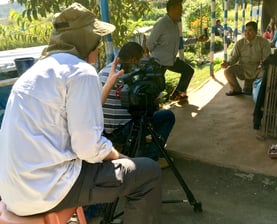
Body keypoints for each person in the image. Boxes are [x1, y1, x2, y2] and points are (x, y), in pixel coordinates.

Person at [0, 3, 162, 224]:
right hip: (46, 191)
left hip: (12, 193)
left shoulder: (34, 73)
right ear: (87, 43)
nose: (98, 48)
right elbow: (88, 148)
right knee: (148, 173)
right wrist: (124, 159)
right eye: (97, 42)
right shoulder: (80, 70)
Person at [99, 41, 175, 168]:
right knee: (167, 116)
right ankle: (152, 158)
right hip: (122, 131)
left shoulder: (105, 71)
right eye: (140, 60)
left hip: (103, 132)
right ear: (134, 59)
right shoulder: (129, 74)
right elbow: (140, 104)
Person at [146, 0, 207, 102]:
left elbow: (180, 41)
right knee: (156, 89)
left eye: (181, 10)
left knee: (188, 71)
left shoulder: (174, 24)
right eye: (179, 9)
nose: (181, 12)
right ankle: (152, 110)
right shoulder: (162, 23)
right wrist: (156, 56)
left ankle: (176, 94)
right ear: (171, 9)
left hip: (171, 60)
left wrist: (196, 39)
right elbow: (149, 44)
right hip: (159, 62)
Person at [221, 21, 271, 96]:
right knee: (227, 71)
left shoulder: (264, 42)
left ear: (256, 32)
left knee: (265, 73)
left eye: (250, 30)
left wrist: (262, 65)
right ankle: (236, 89)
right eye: (245, 31)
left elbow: (266, 58)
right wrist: (228, 63)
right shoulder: (239, 43)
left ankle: (259, 92)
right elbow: (234, 57)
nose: (247, 33)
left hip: (257, 69)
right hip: (243, 68)